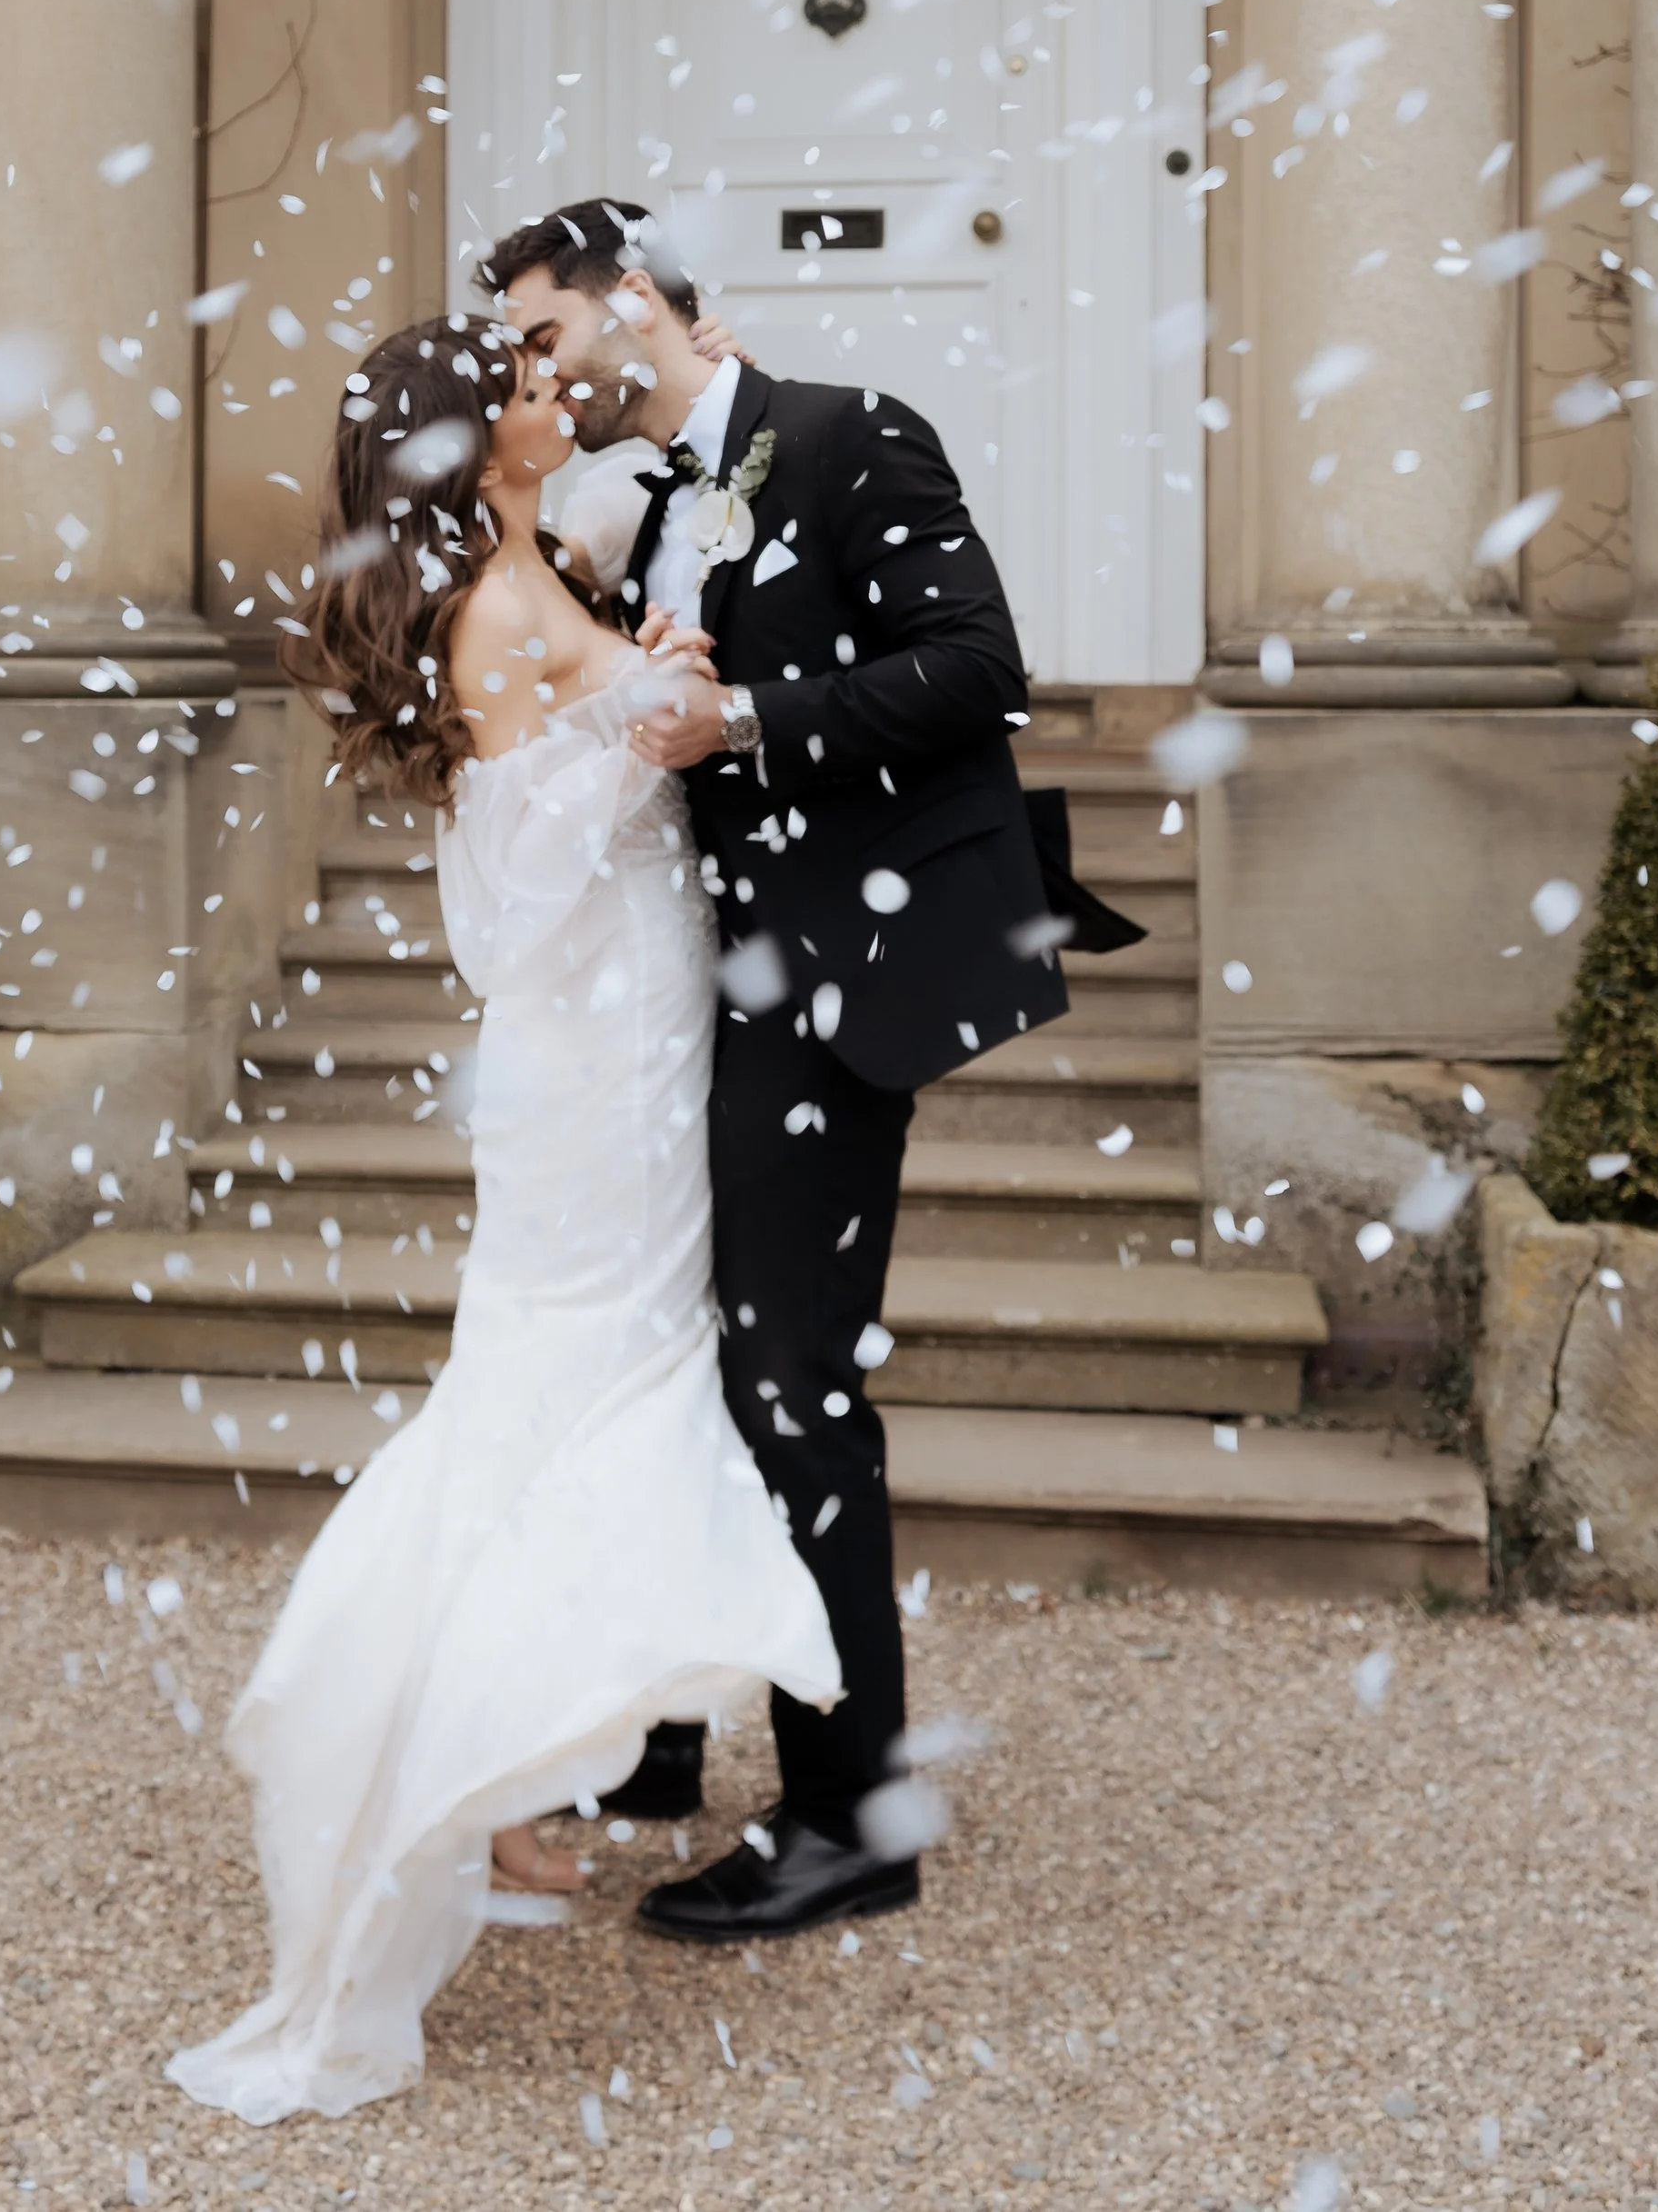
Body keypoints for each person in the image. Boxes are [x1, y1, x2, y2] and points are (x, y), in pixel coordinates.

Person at [165, 310, 840, 2127]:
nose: (559, 403)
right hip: (597, 1037)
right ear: (474, 440)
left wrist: (653, 657)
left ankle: (514, 1804)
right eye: (531, 391)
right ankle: (465, 1760)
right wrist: (654, 721)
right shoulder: (492, 602)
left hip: (634, 1013)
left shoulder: (531, 564)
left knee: (568, 1379)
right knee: (579, 1374)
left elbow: (587, 712)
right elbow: (511, 883)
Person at [478, 196, 1069, 1947]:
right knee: (682, 1357)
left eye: (544, 333)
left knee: (795, 1386)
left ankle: (851, 1816)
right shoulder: (629, 507)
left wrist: (747, 722)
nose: (535, 368)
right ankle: (664, 1736)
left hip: (836, 978)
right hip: (696, 990)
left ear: (638, 304)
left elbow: (977, 669)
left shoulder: (848, 434)